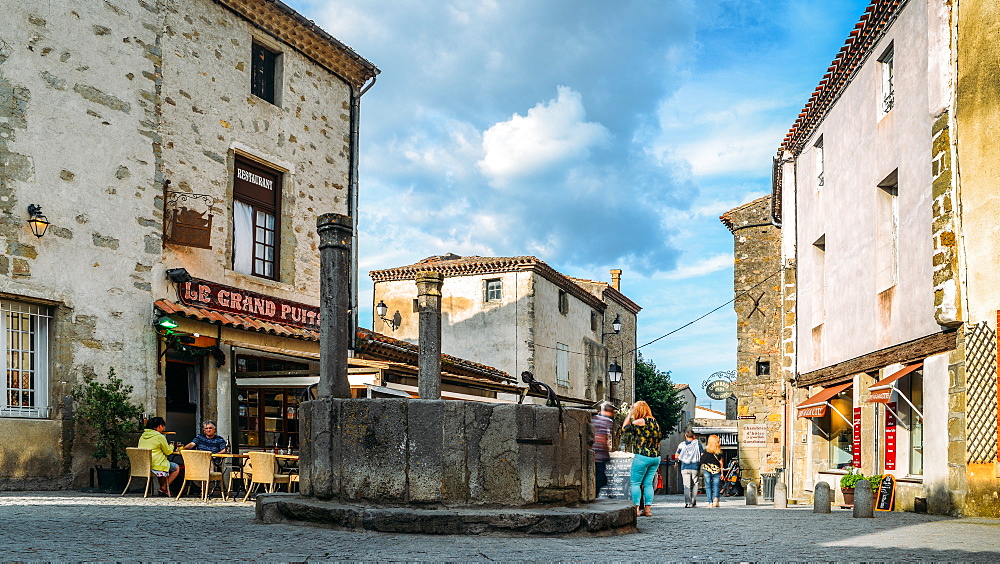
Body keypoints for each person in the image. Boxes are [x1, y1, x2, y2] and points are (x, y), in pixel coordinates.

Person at [621, 400, 662, 517]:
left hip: (642, 456)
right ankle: (648, 510)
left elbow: (624, 428)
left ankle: (637, 509)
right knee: (648, 484)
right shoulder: (655, 422)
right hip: (655, 457)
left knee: (635, 483)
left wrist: (629, 414)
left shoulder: (640, 421)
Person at [138, 416, 179, 496]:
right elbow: (168, 452)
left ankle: (164, 491)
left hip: (144, 465)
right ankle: (163, 488)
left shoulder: (143, 436)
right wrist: (172, 446)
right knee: (176, 468)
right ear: (159, 426)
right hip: (156, 465)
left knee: (163, 467)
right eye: (163, 426)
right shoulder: (159, 436)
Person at [675, 429, 703, 508]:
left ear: (685, 436)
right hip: (695, 467)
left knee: (686, 485)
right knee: (695, 484)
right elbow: (702, 454)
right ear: (694, 436)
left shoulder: (682, 444)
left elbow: (677, 455)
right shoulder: (698, 444)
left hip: (685, 467)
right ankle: (693, 501)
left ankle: (688, 502)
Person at [592, 403, 615, 495]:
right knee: (601, 478)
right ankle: (595, 494)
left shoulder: (593, 419)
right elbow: (602, 438)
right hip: (600, 454)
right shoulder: (607, 421)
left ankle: (595, 493)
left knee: (597, 476)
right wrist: (606, 453)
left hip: (591, 453)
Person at [701, 434, 724, 508]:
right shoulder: (719, 452)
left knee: (708, 486)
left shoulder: (706, 451)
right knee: (716, 486)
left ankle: (710, 502)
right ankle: (716, 499)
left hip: (707, 470)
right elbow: (721, 463)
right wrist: (722, 473)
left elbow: (702, 460)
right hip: (716, 470)